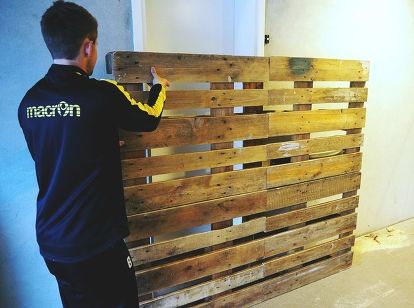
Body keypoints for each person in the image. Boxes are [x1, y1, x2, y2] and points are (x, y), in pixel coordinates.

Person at [18, 1, 170, 307]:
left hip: (52, 243)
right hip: (95, 243)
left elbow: (55, 153)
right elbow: (148, 118)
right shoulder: (101, 93)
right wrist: (159, 87)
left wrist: (100, 144)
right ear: (88, 46)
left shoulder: (29, 102)